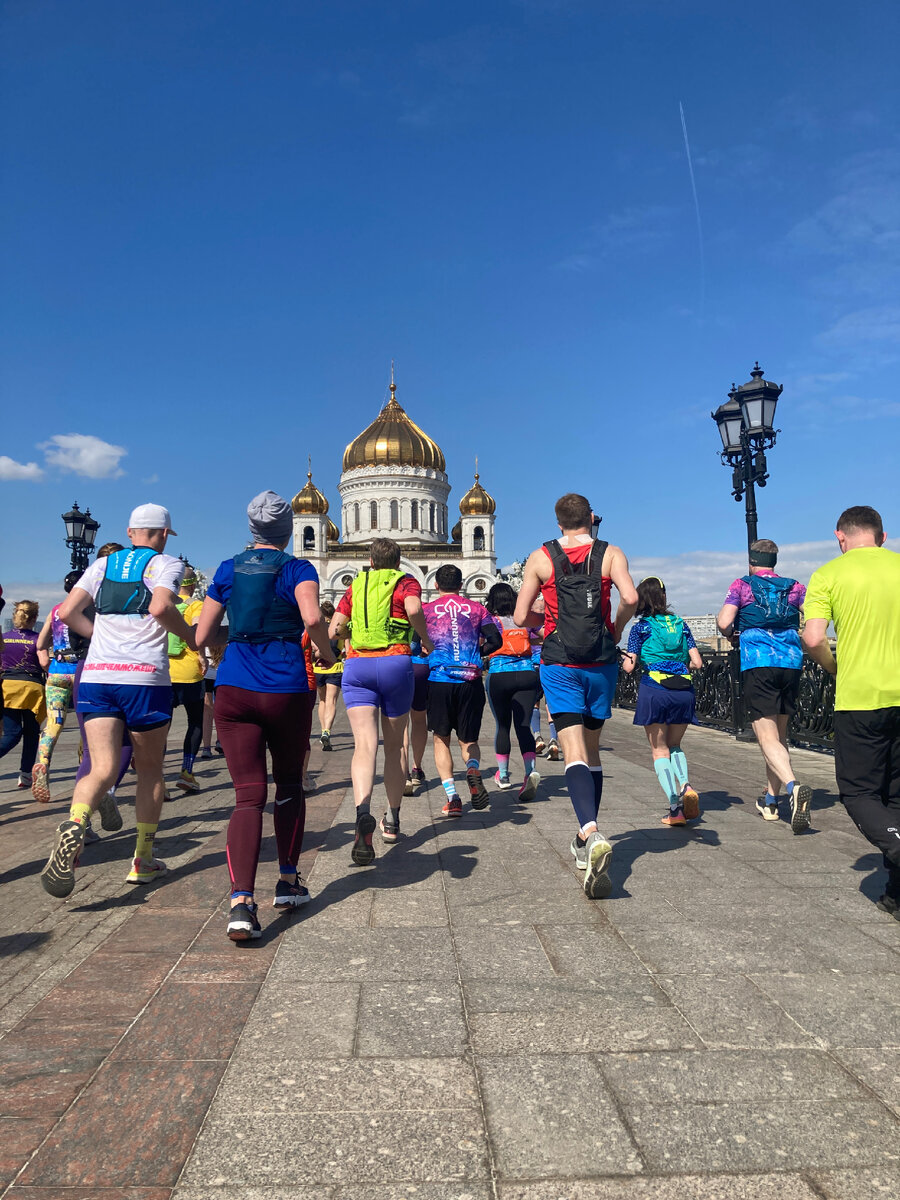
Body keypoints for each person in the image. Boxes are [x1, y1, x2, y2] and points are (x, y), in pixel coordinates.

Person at [197, 492, 332, 941]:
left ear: (251, 528)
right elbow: (312, 617)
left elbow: (202, 633)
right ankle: (289, 883)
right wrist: (326, 651)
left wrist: (238, 633)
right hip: (285, 687)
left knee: (247, 797)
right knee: (289, 783)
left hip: (234, 686)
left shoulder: (226, 568)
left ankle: (240, 903)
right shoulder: (298, 568)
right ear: (289, 529)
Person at [40, 504, 193, 897]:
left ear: (130, 532)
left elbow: (67, 611)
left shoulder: (101, 566)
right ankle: (143, 860)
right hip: (144, 678)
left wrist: (101, 639)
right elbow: (160, 606)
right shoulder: (166, 564)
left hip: (96, 677)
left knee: (102, 767)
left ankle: (75, 824)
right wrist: (192, 637)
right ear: (162, 534)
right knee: (150, 771)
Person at [514, 493, 637, 899]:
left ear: (559, 522)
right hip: (600, 661)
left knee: (572, 750)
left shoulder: (541, 557)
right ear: (590, 519)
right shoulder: (610, 553)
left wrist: (548, 621)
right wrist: (614, 627)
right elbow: (631, 599)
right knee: (594, 749)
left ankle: (589, 829)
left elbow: (518, 617)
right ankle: (589, 833)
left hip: (559, 661)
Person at [802, 505, 900, 918]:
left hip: (860, 697)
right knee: (896, 795)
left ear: (840, 537)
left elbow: (812, 637)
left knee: (859, 792)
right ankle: (896, 895)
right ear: (882, 535)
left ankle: (895, 844)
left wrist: (832, 665)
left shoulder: (829, 574)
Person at [329, 538, 433, 858]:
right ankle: (391, 819)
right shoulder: (405, 582)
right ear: (398, 562)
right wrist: (424, 638)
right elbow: (414, 608)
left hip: (357, 666)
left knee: (363, 746)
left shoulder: (355, 586)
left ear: (370, 562)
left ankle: (362, 813)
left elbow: (335, 628)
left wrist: (350, 635)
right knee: (394, 745)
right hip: (395, 663)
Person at [716, 538, 811, 832]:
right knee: (779, 738)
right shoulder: (795, 586)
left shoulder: (742, 585)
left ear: (751, 561)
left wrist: (734, 632)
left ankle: (794, 788)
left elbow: (723, 622)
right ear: (774, 562)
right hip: (791, 663)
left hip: (759, 662)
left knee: (766, 738)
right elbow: (813, 619)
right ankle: (771, 800)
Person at [622, 577, 704, 825]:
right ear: (663, 597)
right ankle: (686, 786)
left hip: (656, 688)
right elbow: (698, 662)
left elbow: (629, 666)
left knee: (659, 750)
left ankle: (674, 808)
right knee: (675, 745)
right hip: (683, 689)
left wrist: (624, 658)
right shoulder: (681, 624)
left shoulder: (641, 627)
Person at [423, 565, 502, 818]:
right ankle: (473, 768)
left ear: (436, 585)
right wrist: (476, 653)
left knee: (441, 738)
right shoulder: (478, 609)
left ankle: (452, 798)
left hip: (440, 679)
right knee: (469, 740)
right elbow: (496, 640)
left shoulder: (426, 611)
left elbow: (415, 643)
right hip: (470, 680)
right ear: (461, 584)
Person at [31, 573, 85, 803]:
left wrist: (46, 661)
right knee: (87, 725)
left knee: (53, 724)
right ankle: (86, 772)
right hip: (82, 673)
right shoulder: (88, 608)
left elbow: (41, 644)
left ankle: (42, 762)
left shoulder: (56, 610)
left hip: (57, 673)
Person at [484, 581, 541, 800]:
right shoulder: (524, 620)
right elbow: (543, 634)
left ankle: (504, 775)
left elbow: (482, 641)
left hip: (500, 674)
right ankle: (529, 771)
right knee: (524, 725)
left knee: (503, 725)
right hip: (527, 673)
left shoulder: (491, 621)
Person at [167, 565, 205, 793]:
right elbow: (197, 633)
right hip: (190, 672)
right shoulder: (195, 605)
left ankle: (156, 778)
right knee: (196, 721)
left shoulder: (166, 606)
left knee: (162, 725)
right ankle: (187, 770)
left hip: (164, 672)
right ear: (193, 585)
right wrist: (202, 657)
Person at [1, 601, 46, 790]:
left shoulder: (3, 638)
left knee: (11, 733)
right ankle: (25, 774)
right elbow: (44, 663)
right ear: (34, 618)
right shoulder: (38, 639)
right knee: (31, 733)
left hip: (8, 688)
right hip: (32, 690)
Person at [314, 599, 344, 751]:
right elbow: (346, 648)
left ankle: (321, 731)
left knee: (322, 701)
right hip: (335, 667)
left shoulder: (317, 628)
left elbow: (311, 647)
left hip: (318, 669)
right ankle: (327, 731)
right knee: (331, 701)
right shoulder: (338, 629)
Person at [404, 632, 430, 796]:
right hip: (423, 667)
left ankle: (404, 773)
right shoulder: (426, 615)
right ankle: (416, 769)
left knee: (401, 725)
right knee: (419, 721)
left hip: (400, 665)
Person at [199, 644, 222, 758]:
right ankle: (206, 747)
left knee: (221, 708)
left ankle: (220, 741)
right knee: (207, 709)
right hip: (207, 669)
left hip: (222, 666)